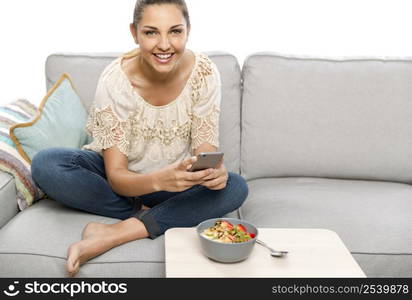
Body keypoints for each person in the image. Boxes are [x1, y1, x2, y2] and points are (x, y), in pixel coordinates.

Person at [31, 0, 248, 277]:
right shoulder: (114, 81)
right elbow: (117, 177)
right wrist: (159, 179)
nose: (165, 45)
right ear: (134, 33)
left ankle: (115, 232)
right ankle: (161, 214)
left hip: (177, 184)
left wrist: (212, 174)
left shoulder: (204, 73)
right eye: (151, 32)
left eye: (175, 31)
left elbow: (203, 155)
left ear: (188, 31)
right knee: (47, 164)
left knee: (235, 187)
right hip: (124, 183)